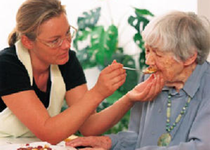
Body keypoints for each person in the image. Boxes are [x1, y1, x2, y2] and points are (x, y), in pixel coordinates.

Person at [0, 0, 164, 145]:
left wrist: (129, 98)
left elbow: (89, 126)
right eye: (54, 41)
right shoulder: (7, 65)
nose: (66, 45)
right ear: (28, 41)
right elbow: (48, 132)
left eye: (67, 33)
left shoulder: (65, 59)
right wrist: (98, 92)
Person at [66, 11, 210, 150]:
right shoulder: (150, 78)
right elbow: (137, 137)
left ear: (189, 57)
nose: (148, 61)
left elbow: (201, 147)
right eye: (147, 50)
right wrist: (109, 142)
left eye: (158, 55)